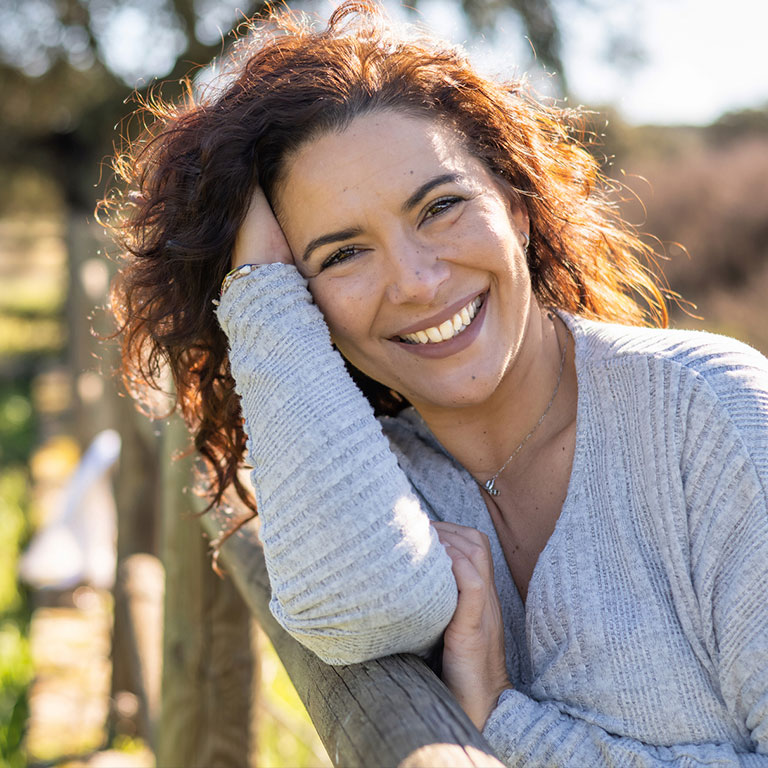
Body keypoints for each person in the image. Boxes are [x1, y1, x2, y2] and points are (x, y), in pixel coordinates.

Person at [101, 1, 768, 764]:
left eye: (442, 206)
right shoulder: (376, 483)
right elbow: (361, 610)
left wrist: (507, 725)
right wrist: (254, 286)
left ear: (516, 208)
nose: (417, 283)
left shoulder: (711, 415)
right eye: (341, 255)